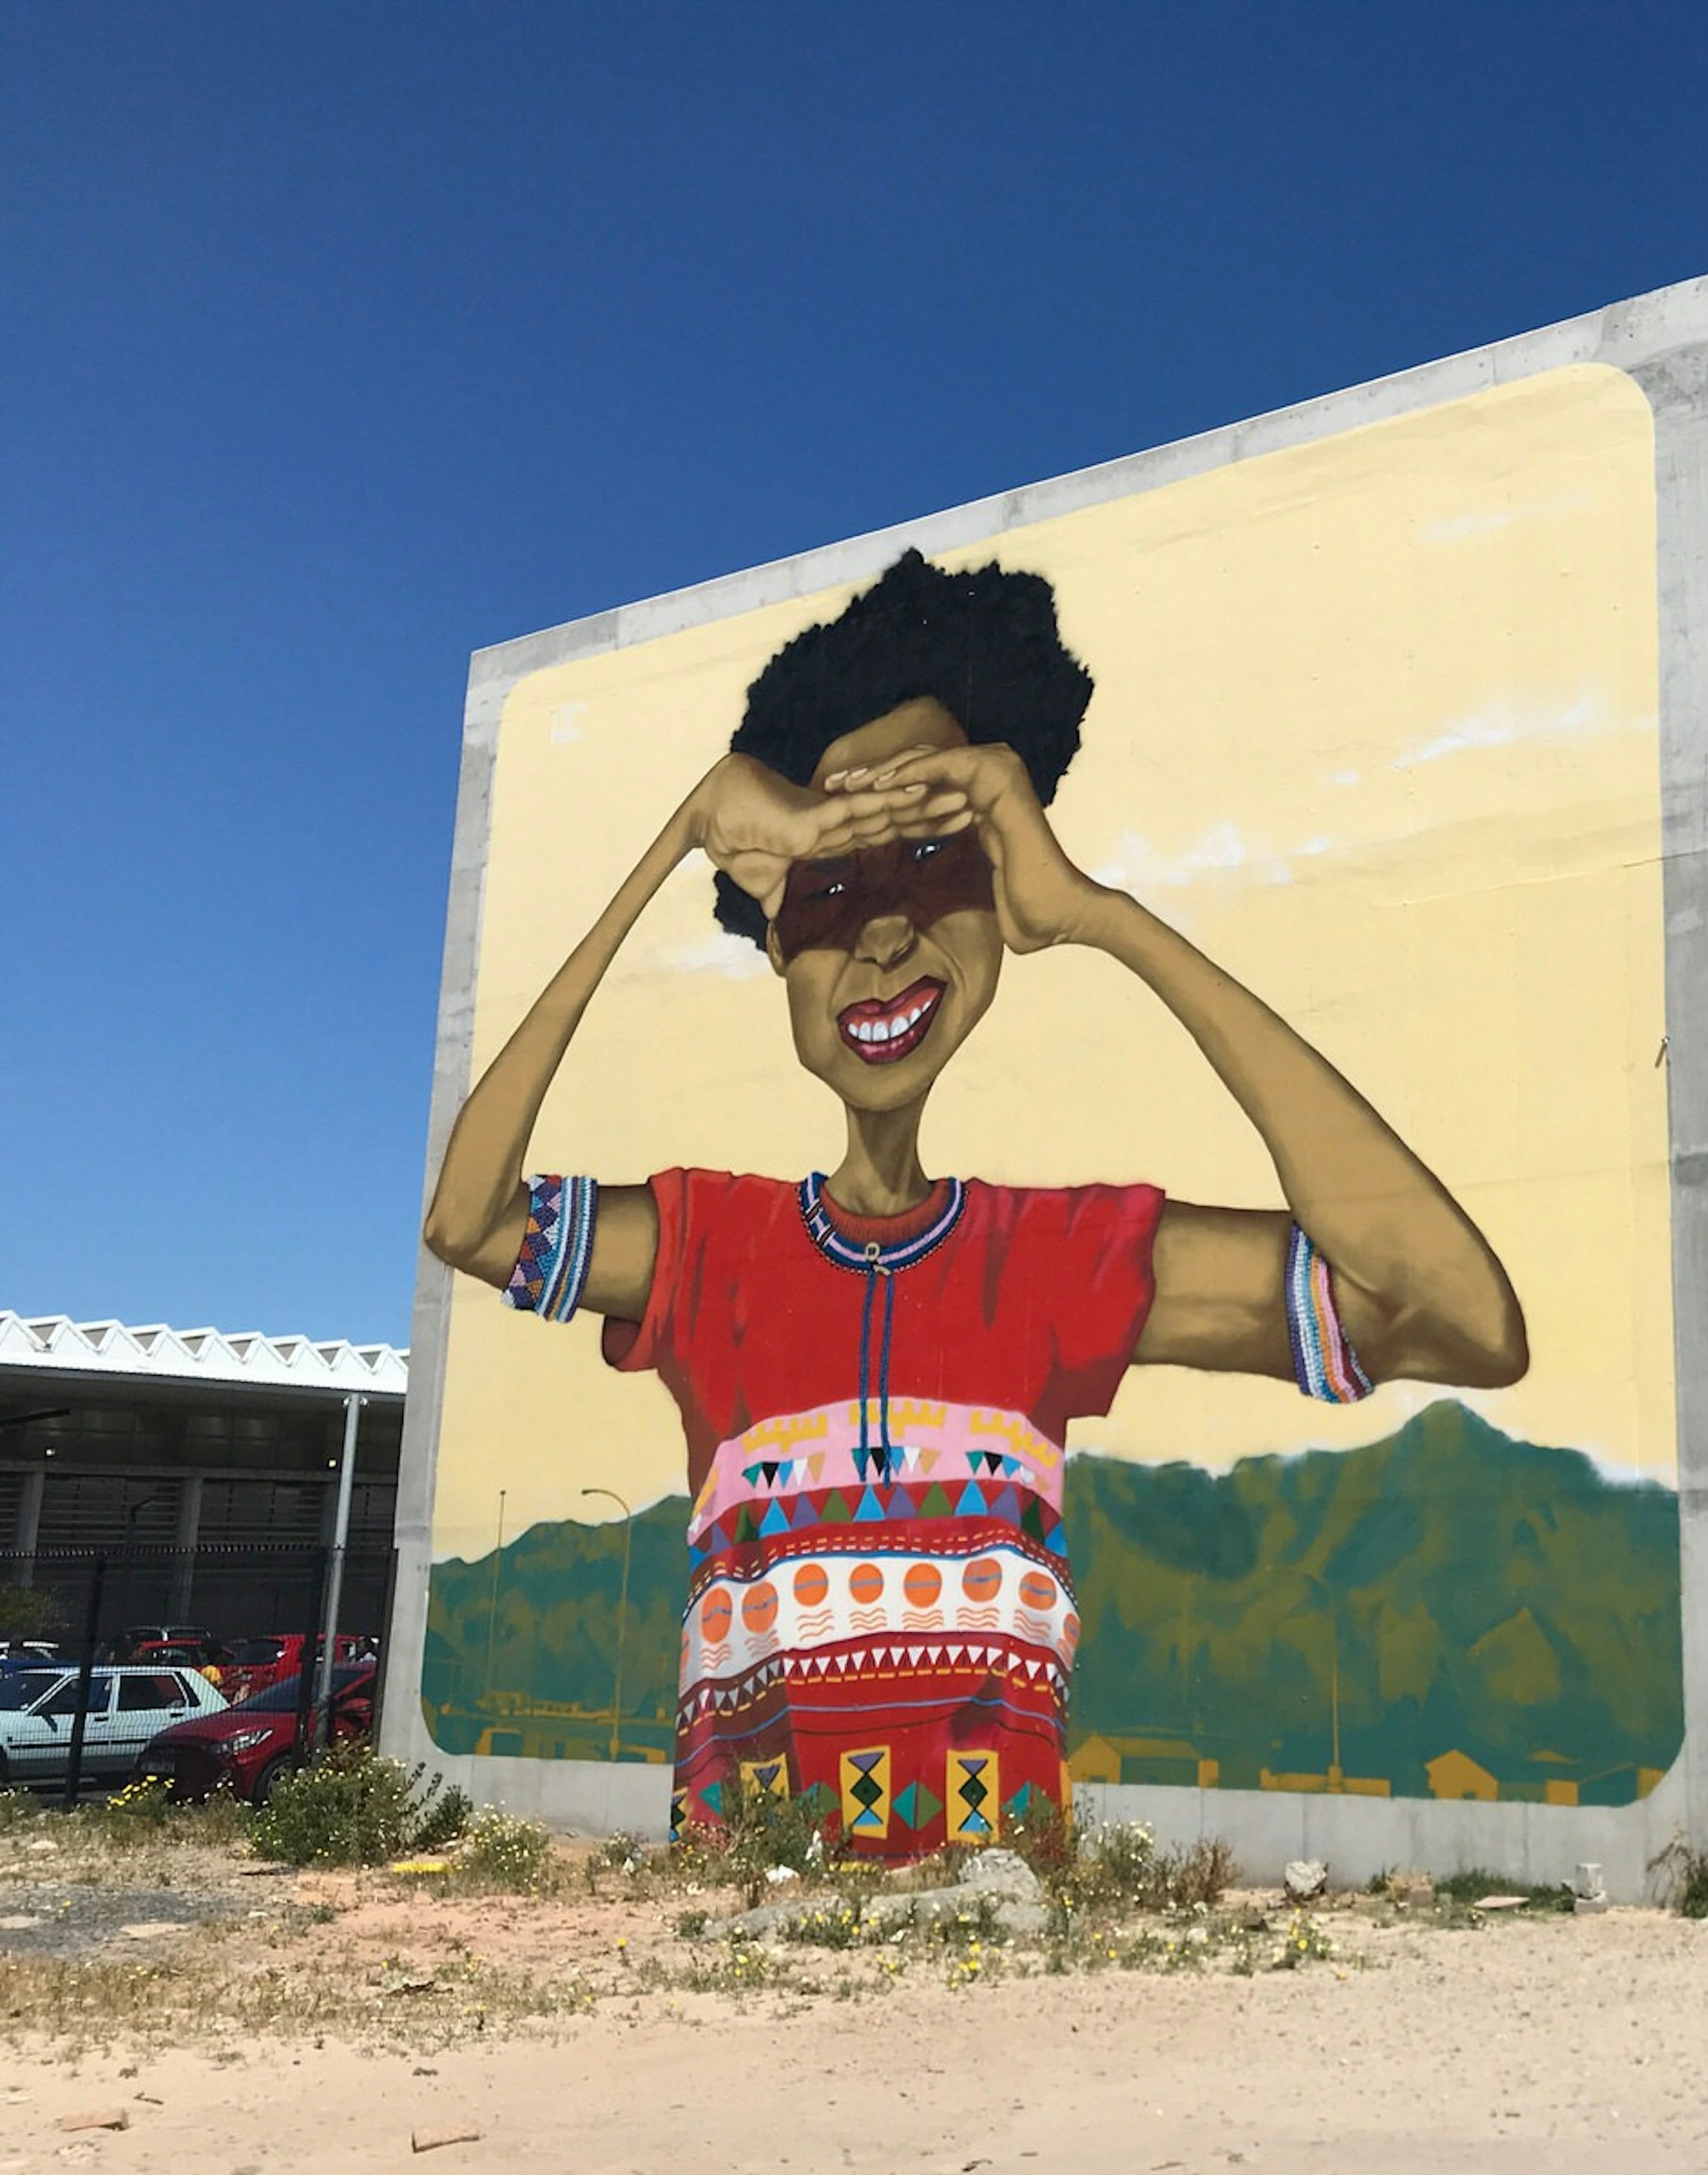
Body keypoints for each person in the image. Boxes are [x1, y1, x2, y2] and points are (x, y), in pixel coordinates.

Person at [424, 551, 1529, 1862]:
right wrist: (678, 839)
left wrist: (1107, 918)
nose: (884, 936)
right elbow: (469, 1219)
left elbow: (1463, 1320)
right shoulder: (705, 1246)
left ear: (1003, 914)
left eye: (936, 866)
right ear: (775, 944)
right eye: (834, 889)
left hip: (994, 1944)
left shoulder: (1061, 1261)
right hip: (741, 1936)